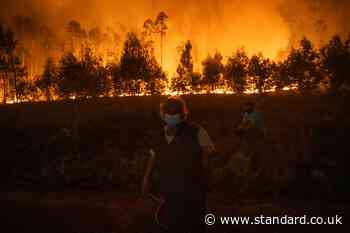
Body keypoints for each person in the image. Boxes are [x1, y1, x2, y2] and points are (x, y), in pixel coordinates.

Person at [142, 96, 215, 233]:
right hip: (169, 190)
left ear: (183, 114)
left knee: (194, 224)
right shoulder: (158, 137)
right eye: (168, 111)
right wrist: (146, 179)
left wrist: (205, 179)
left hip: (193, 191)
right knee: (171, 223)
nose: (172, 115)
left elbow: (208, 155)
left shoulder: (196, 131)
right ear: (163, 114)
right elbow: (153, 157)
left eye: (175, 111)